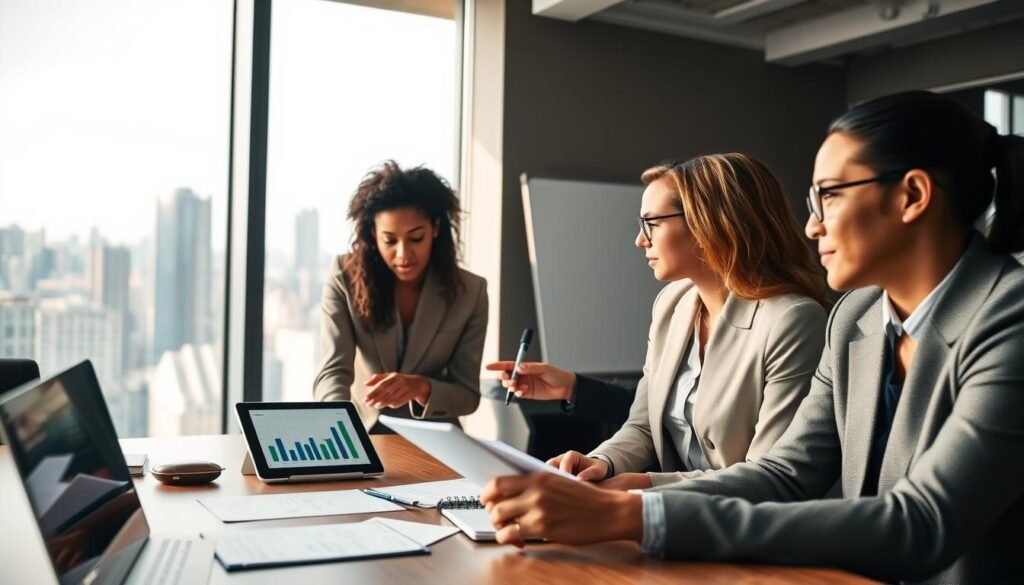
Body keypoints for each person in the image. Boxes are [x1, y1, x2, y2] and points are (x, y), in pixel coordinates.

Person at [480, 91, 1024, 585]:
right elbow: (785, 472)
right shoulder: (856, 316)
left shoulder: (1010, 318)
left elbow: (922, 523)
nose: (812, 227)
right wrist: (619, 492)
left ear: (912, 195)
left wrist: (634, 513)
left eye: (829, 196)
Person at [488, 153, 830, 489]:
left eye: (651, 223)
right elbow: (643, 426)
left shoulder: (792, 320)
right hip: (672, 522)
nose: (640, 240)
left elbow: (770, 476)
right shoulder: (672, 303)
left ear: (706, 222)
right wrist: (602, 463)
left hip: (744, 532)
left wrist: (646, 486)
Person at [313, 160, 488, 432]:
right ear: (373, 234)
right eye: (390, 240)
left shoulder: (471, 293)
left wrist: (421, 387)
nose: (403, 254)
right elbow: (332, 372)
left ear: (436, 229)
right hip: (361, 434)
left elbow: (468, 395)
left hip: (437, 442)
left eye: (416, 238)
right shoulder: (344, 277)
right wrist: (339, 428)